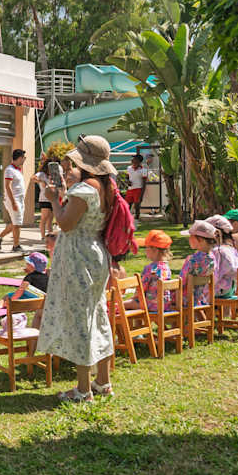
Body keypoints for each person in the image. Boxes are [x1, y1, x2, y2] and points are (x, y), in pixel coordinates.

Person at [36, 135, 117, 403]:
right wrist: (62, 196)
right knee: (97, 314)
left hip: (79, 257)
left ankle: (83, 390)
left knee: (81, 319)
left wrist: (52, 199)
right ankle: (102, 381)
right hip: (94, 253)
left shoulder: (84, 188)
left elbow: (66, 223)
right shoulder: (105, 186)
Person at [131, 230, 175, 313]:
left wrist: (132, 298)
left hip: (150, 305)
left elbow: (140, 289)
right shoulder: (166, 268)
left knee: (119, 304)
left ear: (155, 250)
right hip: (165, 305)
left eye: (146, 247)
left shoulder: (150, 269)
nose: (145, 250)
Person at [0, 149, 27, 252]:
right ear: (20, 158)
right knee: (17, 224)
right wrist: (13, 202)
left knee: (16, 223)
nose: (24, 160)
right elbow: (7, 186)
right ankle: (16, 246)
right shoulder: (9, 170)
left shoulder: (17, 170)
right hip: (14, 200)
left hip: (20, 200)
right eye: (24, 158)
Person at [179, 220, 217, 306]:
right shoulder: (212, 258)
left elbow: (181, 281)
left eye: (191, 236)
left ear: (200, 240)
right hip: (201, 298)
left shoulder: (192, 260)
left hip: (185, 299)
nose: (189, 239)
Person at [207, 214, 238, 297]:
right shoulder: (232, 249)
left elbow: (215, 277)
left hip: (221, 290)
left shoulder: (218, 251)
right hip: (230, 289)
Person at [35, 156, 56, 239]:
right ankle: (43, 237)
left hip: (52, 199)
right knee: (44, 218)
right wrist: (41, 181)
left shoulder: (53, 175)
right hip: (44, 199)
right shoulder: (41, 174)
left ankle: (50, 237)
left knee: (50, 219)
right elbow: (32, 178)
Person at [125, 154, 149, 219]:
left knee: (137, 206)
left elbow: (144, 183)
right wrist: (127, 181)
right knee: (127, 205)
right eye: (132, 159)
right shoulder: (129, 168)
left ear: (139, 161)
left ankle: (137, 218)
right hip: (130, 189)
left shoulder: (144, 170)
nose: (132, 160)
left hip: (138, 189)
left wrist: (142, 194)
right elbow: (127, 177)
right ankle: (126, 218)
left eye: (134, 159)